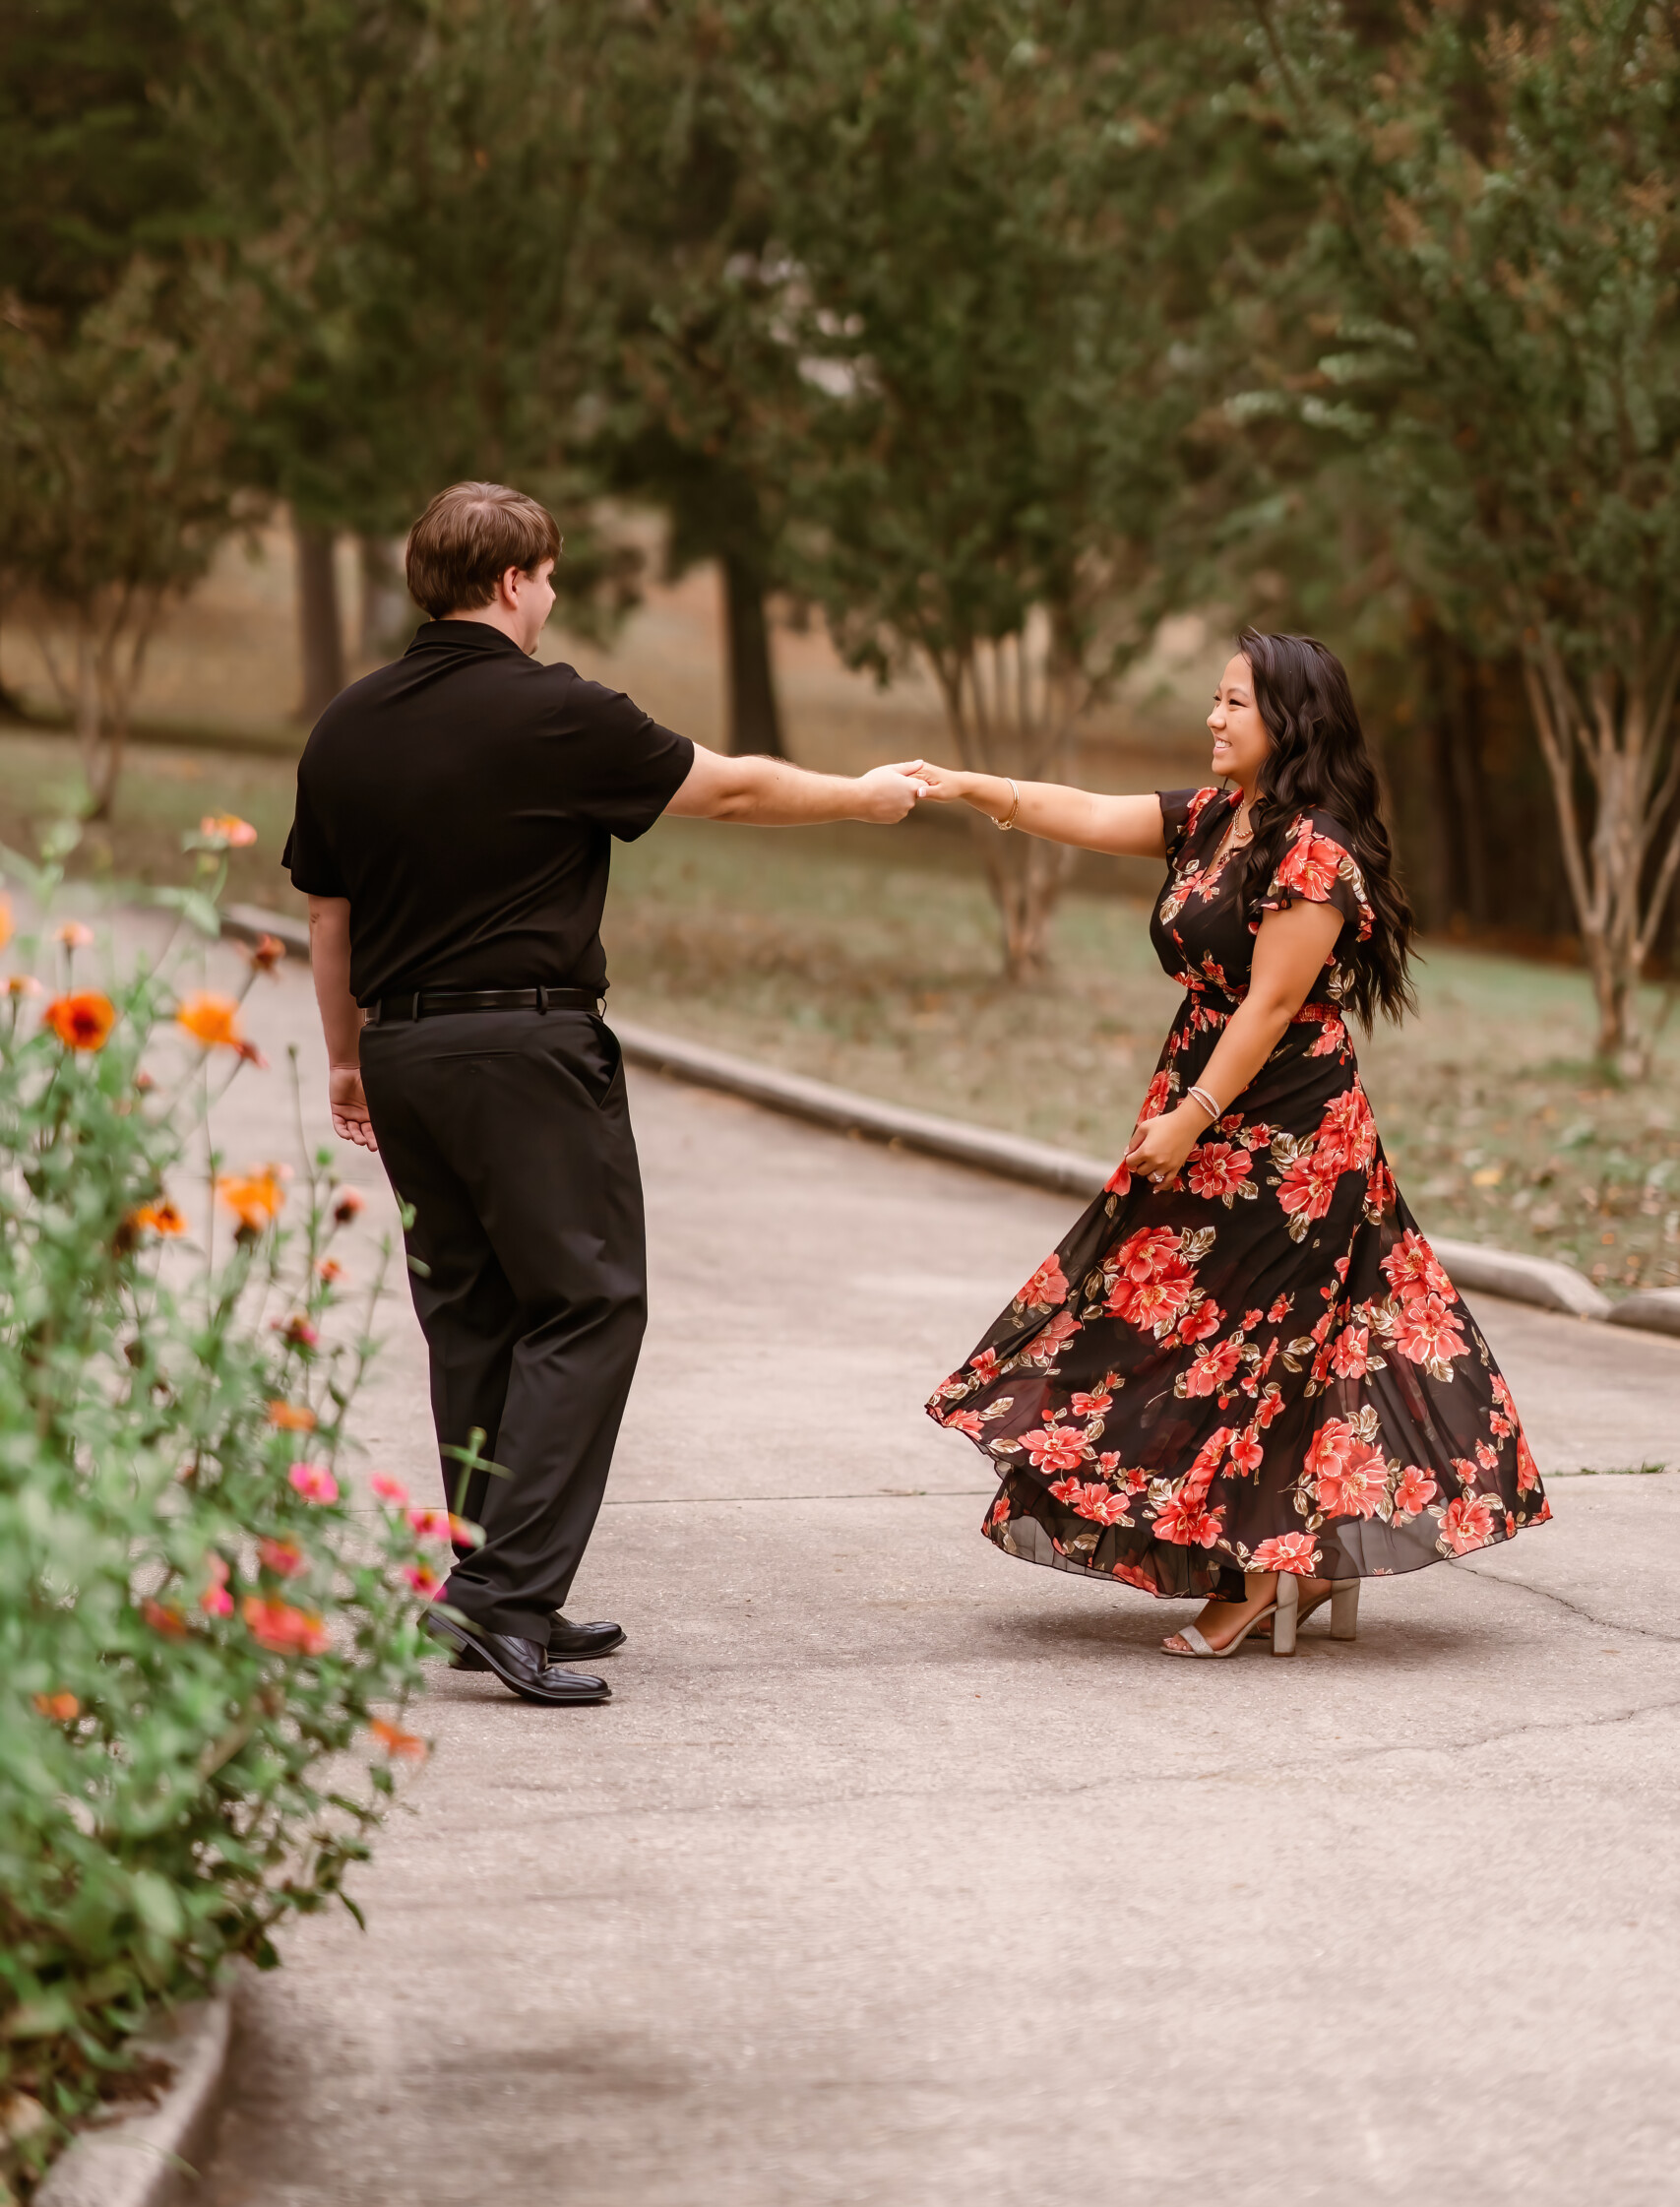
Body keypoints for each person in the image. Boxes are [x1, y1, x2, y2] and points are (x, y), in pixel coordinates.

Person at [285, 481, 925, 1706]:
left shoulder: (347, 724)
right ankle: (501, 1594)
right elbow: (727, 787)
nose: (554, 595)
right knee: (589, 1305)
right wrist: (866, 794)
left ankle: (494, 1580)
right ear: (518, 580)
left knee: (474, 1318)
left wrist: (348, 1057)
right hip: (525, 1052)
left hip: (408, 1053)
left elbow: (330, 917)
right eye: (552, 575)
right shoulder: (555, 711)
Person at [918, 630, 1551, 1659]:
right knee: (1153, 1316)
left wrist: (1191, 1114)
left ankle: (1264, 1572)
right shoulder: (1218, 818)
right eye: (1214, 700)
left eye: (1234, 704)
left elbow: (1270, 1006)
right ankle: (1249, 1548)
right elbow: (1080, 812)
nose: (1213, 719)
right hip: (1210, 1100)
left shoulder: (1313, 848)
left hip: (1287, 1130)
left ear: (1288, 722)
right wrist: (963, 784)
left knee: (1270, 1343)